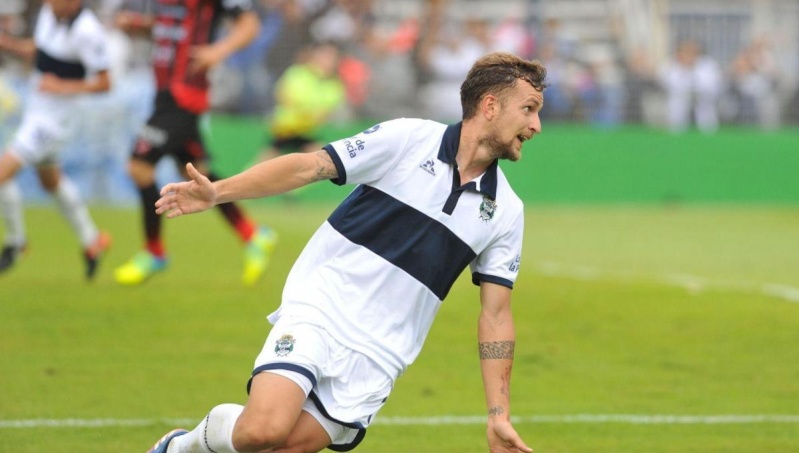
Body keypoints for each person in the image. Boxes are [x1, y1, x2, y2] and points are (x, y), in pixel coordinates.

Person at [148, 51, 543, 453]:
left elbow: (496, 315)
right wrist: (218, 192)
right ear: (490, 106)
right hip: (322, 308)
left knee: (282, 448)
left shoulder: (506, 211)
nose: (536, 125)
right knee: (262, 431)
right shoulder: (409, 139)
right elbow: (308, 167)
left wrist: (498, 415)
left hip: (381, 355)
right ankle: (180, 447)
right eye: (528, 109)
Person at [112, 0, 277, 286]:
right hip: (166, 94)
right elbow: (173, 29)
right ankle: (252, 234)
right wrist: (141, 28)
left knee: (139, 167)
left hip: (184, 96)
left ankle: (154, 252)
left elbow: (250, 25)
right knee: (199, 174)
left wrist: (219, 50)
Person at [0, 0, 112, 279]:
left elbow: (105, 83)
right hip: (36, 111)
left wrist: (62, 86)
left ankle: (16, 242)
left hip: (55, 122)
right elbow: (40, 51)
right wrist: (7, 44)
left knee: (2, 173)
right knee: (50, 181)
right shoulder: (49, 14)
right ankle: (92, 240)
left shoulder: (88, 30)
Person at [258, 40, 345, 163]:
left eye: (331, 56)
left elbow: (324, 113)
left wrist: (305, 111)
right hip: (284, 131)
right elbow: (284, 97)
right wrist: (308, 112)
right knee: (263, 165)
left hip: (307, 133)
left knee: (324, 162)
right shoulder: (297, 73)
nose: (327, 60)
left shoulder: (334, 85)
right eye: (324, 55)